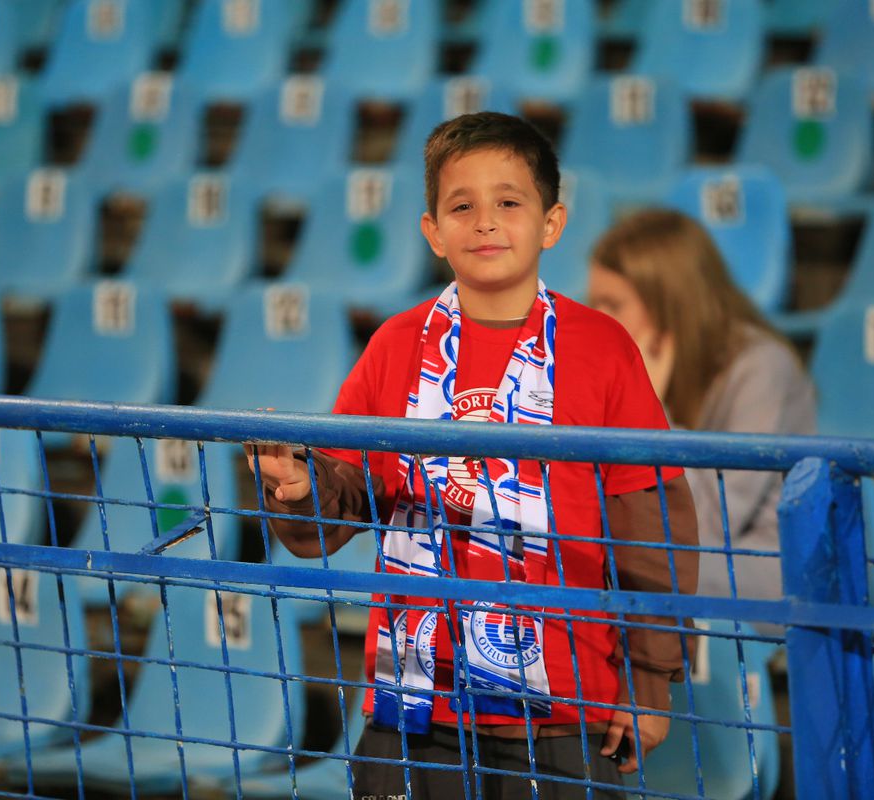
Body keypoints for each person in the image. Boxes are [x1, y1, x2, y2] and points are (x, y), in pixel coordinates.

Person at [246, 112, 699, 799]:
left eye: (509, 203)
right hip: (414, 710)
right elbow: (342, 501)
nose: (485, 222)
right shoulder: (397, 345)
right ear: (432, 231)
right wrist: (298, 487)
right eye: (462, 206)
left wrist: (650, 679)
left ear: (551, 224)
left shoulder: (603, 347)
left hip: (563, 716)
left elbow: (649, 521)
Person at [588, 208, 816, 603]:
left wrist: (647, 414)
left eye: (614, 305)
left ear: (669, 305)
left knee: (613, 563)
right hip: (679, 555)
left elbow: (710, 523)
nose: (600, 322)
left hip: (770, 569)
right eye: (595, 304)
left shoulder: (760, 367)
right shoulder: (620, 366)